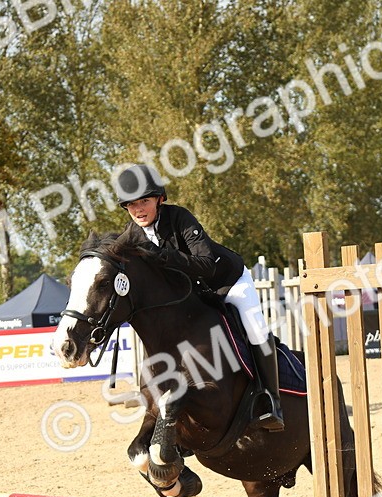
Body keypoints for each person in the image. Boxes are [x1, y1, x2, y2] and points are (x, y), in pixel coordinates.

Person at [113, 164, 284, 432]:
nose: (138, 209)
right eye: (131, 204)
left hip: (228, 282)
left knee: (255, 329)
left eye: (144, 201)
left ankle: (271, 400)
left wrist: (165, 257)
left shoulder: (180, 218)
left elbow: (206, 264)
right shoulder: (132, 234)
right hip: (193, 295)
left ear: (159, 198)